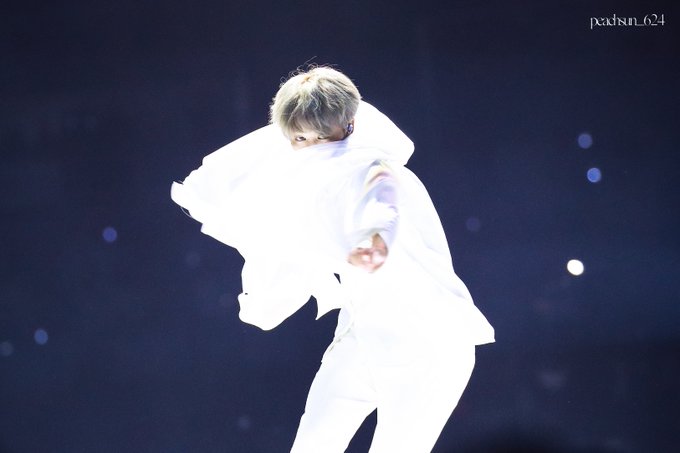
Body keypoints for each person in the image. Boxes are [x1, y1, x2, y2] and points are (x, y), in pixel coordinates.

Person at [171, 66, 494, 453]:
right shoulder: (308, 177)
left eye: (318, 136)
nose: (308, 146)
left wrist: (375, 243)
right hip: (363, 335)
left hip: (427, 345)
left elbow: (383, 206)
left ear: (347, 125)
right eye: (298, 138)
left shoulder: (375, 168)